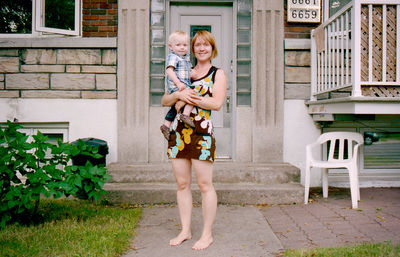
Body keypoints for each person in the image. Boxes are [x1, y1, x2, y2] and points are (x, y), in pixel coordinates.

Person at [161, 30, 227, 250]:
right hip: (178, 133)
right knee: (182, 184)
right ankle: (185, 230)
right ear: (192, 48)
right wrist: (179, 95)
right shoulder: (183, 69)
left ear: (212, 48)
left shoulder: (218, 73)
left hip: (201, 134)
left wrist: (194, 98)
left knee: (205, 185)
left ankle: (207, 234)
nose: (201, 48)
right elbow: (165, 100)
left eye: (205, 45)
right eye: (197, 45)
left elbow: (217, 104)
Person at [160, 30, 195, 141]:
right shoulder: (173, 56)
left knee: (175, 108)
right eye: (178, 45)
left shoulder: (186, 58)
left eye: (185, 45)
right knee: (192, 95)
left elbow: (189, 70)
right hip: (176, 85)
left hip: (183, 85)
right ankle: (185, 115)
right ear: (171, 46)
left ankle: (166, 125)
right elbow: (169, 71)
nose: (182, 47)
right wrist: (178, 83)